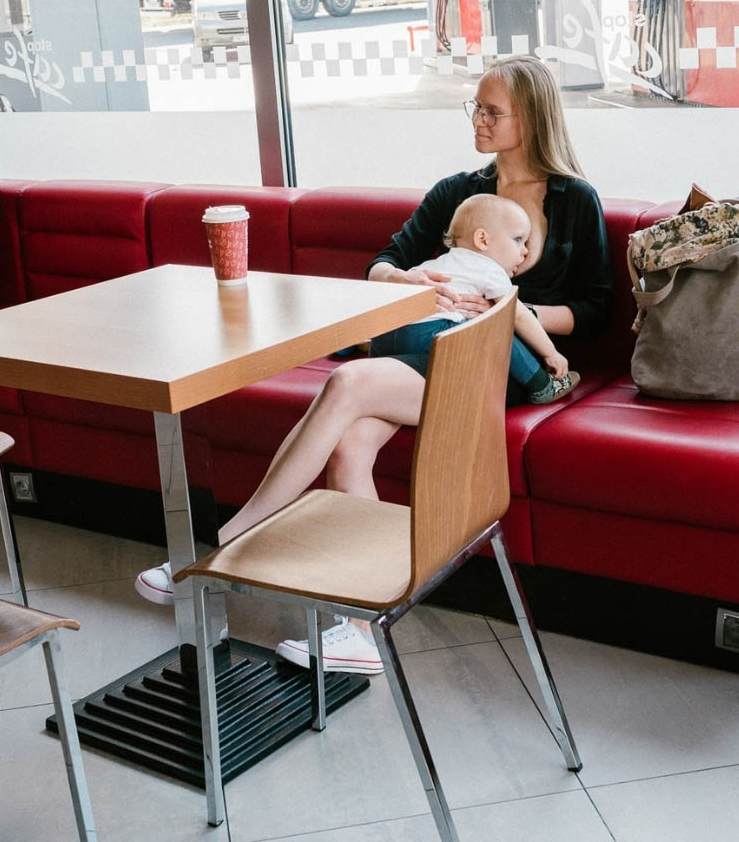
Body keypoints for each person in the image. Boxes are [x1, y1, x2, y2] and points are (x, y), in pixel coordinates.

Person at [136, 55, 613, 675]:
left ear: (531, 118)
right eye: (475, 107)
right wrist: (407, 280)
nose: (477, 119)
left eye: (492, 111)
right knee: (352, 442)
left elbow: (595, 310)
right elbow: (380, 265)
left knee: (348, 381)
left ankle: (221, 550)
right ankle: (358, 632)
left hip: (496, 366)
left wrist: (508, 309)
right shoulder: (457, 195)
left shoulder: (574, 200)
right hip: (427, 352)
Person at [368, 192, 580, 404]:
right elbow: (518, 316)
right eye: (518, 240)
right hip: (429, 334)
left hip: (385, 337)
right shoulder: (489, 269)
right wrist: (551, 353)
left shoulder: (434, 265)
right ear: (483, 240)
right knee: (499, 330)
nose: (525, 251)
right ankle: (543, 386)